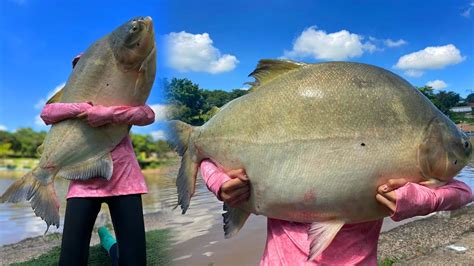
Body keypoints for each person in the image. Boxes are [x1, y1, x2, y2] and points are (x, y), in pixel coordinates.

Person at [200, 159, 473, 265]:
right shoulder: (277, 152)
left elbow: (463, 191)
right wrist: (219, 184)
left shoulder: (382, 157)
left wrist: (425, 199)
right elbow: (206, 158)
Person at [40, 53, 155, 266]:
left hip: (124, 181)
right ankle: (106, 236)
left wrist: (109, 114)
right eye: (81, 68)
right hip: (83, 185)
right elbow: (47, 113)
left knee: (133, 260)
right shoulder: (68, 95)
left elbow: (147, 115)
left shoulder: (122, 95)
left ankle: (109, 242)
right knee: (70, 260)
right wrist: (81, 108)